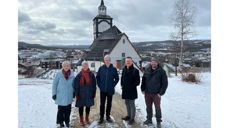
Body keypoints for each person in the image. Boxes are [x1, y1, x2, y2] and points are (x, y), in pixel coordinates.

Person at [141, 57, 168, 127]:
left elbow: (165, 83)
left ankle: (158, 121)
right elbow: (143, 80)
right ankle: (149, 119)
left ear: (157, 63)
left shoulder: (161, 71)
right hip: (147, 93)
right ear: (151, 63)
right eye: (152, 62)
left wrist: (161, 93)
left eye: (155, 62)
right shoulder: (147, 70)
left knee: (157, 108)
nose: (153, 63)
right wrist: (142, 89)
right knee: (148, 107)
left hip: (156, 94)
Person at [96, 55, 119, 124]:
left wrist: (113, 85)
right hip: (103, 90)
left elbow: (117, 78)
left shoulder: (113, 69)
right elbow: (97, 78)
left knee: (109, 103)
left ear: (110, 60)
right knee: (102, 104)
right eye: (105, 60)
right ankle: (101, 117)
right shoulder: (101, 68)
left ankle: (108, 116)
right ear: (104, 61)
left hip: (110, 90)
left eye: (108, 60)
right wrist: (100, 85)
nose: (107, 61)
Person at [52, 61, 75, 128]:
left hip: (69, 95)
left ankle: (67, 122)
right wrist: (54, 93)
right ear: (62, 66)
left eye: (67, 66)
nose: (66, 67)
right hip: (60, 95)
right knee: (61, 110)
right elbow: (54, 84)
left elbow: (73, 85)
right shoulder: (58, 74)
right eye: (65, 66)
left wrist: (74, 92)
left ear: (69, 66)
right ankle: (61, 122)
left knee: (68, 110)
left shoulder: (72, 74)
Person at [74, 61, 96, 126]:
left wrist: (94, 92)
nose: (85, 67)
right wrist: (77, 94)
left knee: (88, 106)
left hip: (89, 93)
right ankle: (81, 120)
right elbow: (76, 86)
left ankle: (87, 119)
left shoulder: (91, 75)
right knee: (81, 107)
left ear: (88, 66)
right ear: (82, 66)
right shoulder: (79, 75)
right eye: (84, 65)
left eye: (86, 65)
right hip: (81, 94)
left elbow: (94, 84)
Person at [121, 57, 140, 125]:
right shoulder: (124, 69)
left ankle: (132, 118)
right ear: (125, 62)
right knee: (127, 104)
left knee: (132, 104)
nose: (128, 62)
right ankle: (128, 116)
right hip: (125, 90)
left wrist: (130, 86)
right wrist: (122, 84)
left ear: (132, 62)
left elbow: (137, 82)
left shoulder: (135, 71)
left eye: (129, 61)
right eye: (127, 61)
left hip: (132, 91)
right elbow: (122, 78)